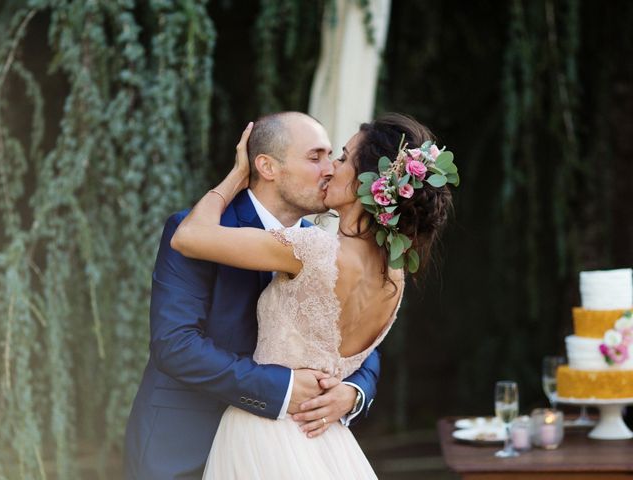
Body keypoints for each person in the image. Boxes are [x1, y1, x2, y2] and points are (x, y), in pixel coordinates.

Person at [171, 112, 457, 478]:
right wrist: (351, 393)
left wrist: (238, 178)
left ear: (367, 183)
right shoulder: (395, 277)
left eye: (340, 158)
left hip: (263, 436)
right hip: (326, 443)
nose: (330, 169)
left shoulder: (312, 249)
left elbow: (188, 236)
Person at [123, 112, 381, 480]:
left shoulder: (325, 249)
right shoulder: (198, 231)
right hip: (185, 448)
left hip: (286, 453)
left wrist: (353, 392)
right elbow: (174, 344)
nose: (330, 169)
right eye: (315, 157)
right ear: (267, 167)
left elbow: (359, 334)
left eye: (332, 156)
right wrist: (281, 388)